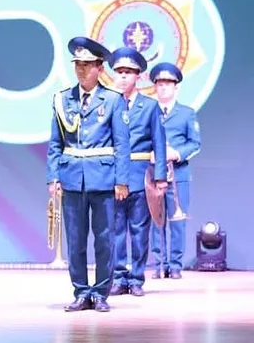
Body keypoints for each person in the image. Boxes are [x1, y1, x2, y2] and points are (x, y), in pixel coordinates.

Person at [46, 37, 130, 313]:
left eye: (87, 65)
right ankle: (81, 291)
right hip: (72, 177)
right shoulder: (63, 99)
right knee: (75, 239)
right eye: (78, 65)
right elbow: (55, 142)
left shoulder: (113, 100)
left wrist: (121, 180)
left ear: (99, 68)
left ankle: (101, 292)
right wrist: (53, 177)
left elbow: (122, 144)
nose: (81, 70)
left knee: (105, 239)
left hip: (103, 178)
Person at [107, 48, 167, 297]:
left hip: (140, 176)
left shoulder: (150, 106)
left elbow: (159, 143)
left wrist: (160, 177)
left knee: (140, 231)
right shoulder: (107, 103)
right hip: (113, 177)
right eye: (119, 72)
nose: (122, 77)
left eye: (128, 72)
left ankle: (137, 278)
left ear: (138, 76)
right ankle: (119, 277)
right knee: (115, 231)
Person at [148, 62, 201, 280]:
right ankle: (159, 264)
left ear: (176, 87)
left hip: (178, 175)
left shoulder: (186, 113)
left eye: (168, 84)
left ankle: (176, 265)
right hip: (153, 175)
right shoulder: (149, 111)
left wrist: (176, 153)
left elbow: (195, 144)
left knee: (177, 221)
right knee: (156, 220)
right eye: (159, 84)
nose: (163, 87)